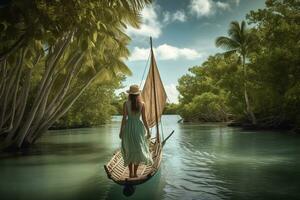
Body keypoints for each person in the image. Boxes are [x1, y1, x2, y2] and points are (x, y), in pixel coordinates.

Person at [119, 84, 153, 178]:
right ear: (138, 94)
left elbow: (124, 118)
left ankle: (130, 173)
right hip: (138, 128)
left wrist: (121, 131)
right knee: (138, 149)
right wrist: (148, 131)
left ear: (129, 94)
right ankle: (135, 173)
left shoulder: (125, 103)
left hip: (128, 128)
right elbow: (144, 119)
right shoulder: (142, 104)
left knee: (129, 149)